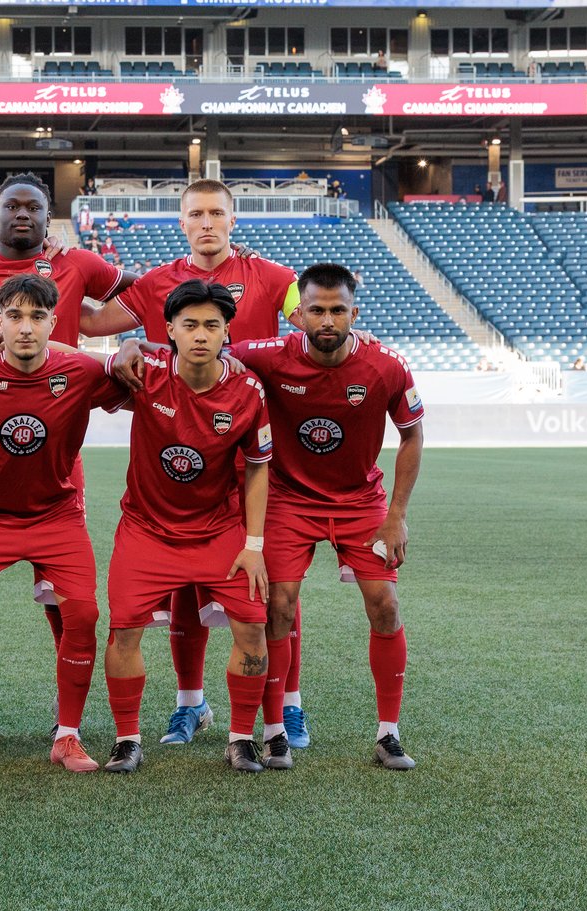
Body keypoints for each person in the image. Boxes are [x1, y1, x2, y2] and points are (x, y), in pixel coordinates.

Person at [78, 177, 305, 746]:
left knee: (270, 592)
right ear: (182, 222)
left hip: (252, 453)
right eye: (196, 214)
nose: (207, 222)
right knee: (184, 592)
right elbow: (90, 324)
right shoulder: (157, 283)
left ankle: (286, 707)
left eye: (216, 213)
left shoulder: (274, 278)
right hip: (178, 455)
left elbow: (319, 324)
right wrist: (70, 269)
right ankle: (190, 704)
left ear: (234, 219)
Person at [178, 262, 424, 770]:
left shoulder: (386, 365)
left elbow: (412, 434)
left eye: (338, 310)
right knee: (279, 608)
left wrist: (396, 513)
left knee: (385, 605)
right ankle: (273, 732)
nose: (327, 320)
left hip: (360, 502)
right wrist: (136, 350)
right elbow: (200, 351)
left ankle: (388, 733)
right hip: (289, 501)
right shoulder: (268, 357)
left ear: (356, 312)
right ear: (298, 314)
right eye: (316, 310)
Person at [0, 172, 135, 739]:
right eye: (11, 206)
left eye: (33, 208)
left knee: (66, 596)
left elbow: (145, 297)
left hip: (59, 430)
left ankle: (70, 721)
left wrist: (93, 328)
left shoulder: (78, 265)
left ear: (47, 216)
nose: (22, 215)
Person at [101, 280, 275, 773]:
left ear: (227, 333)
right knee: (124, 632)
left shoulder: (247, 390)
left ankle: (241, 737)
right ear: (170, 330)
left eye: (212, 326)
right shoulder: (145, 373)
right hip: (146, 529)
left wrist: (254, 544)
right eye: (190, 325)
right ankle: (127, 738)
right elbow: (72, 362)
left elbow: (258, 465)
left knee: (253, 630)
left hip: (219, 531)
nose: (201, 335)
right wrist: (125, 346)